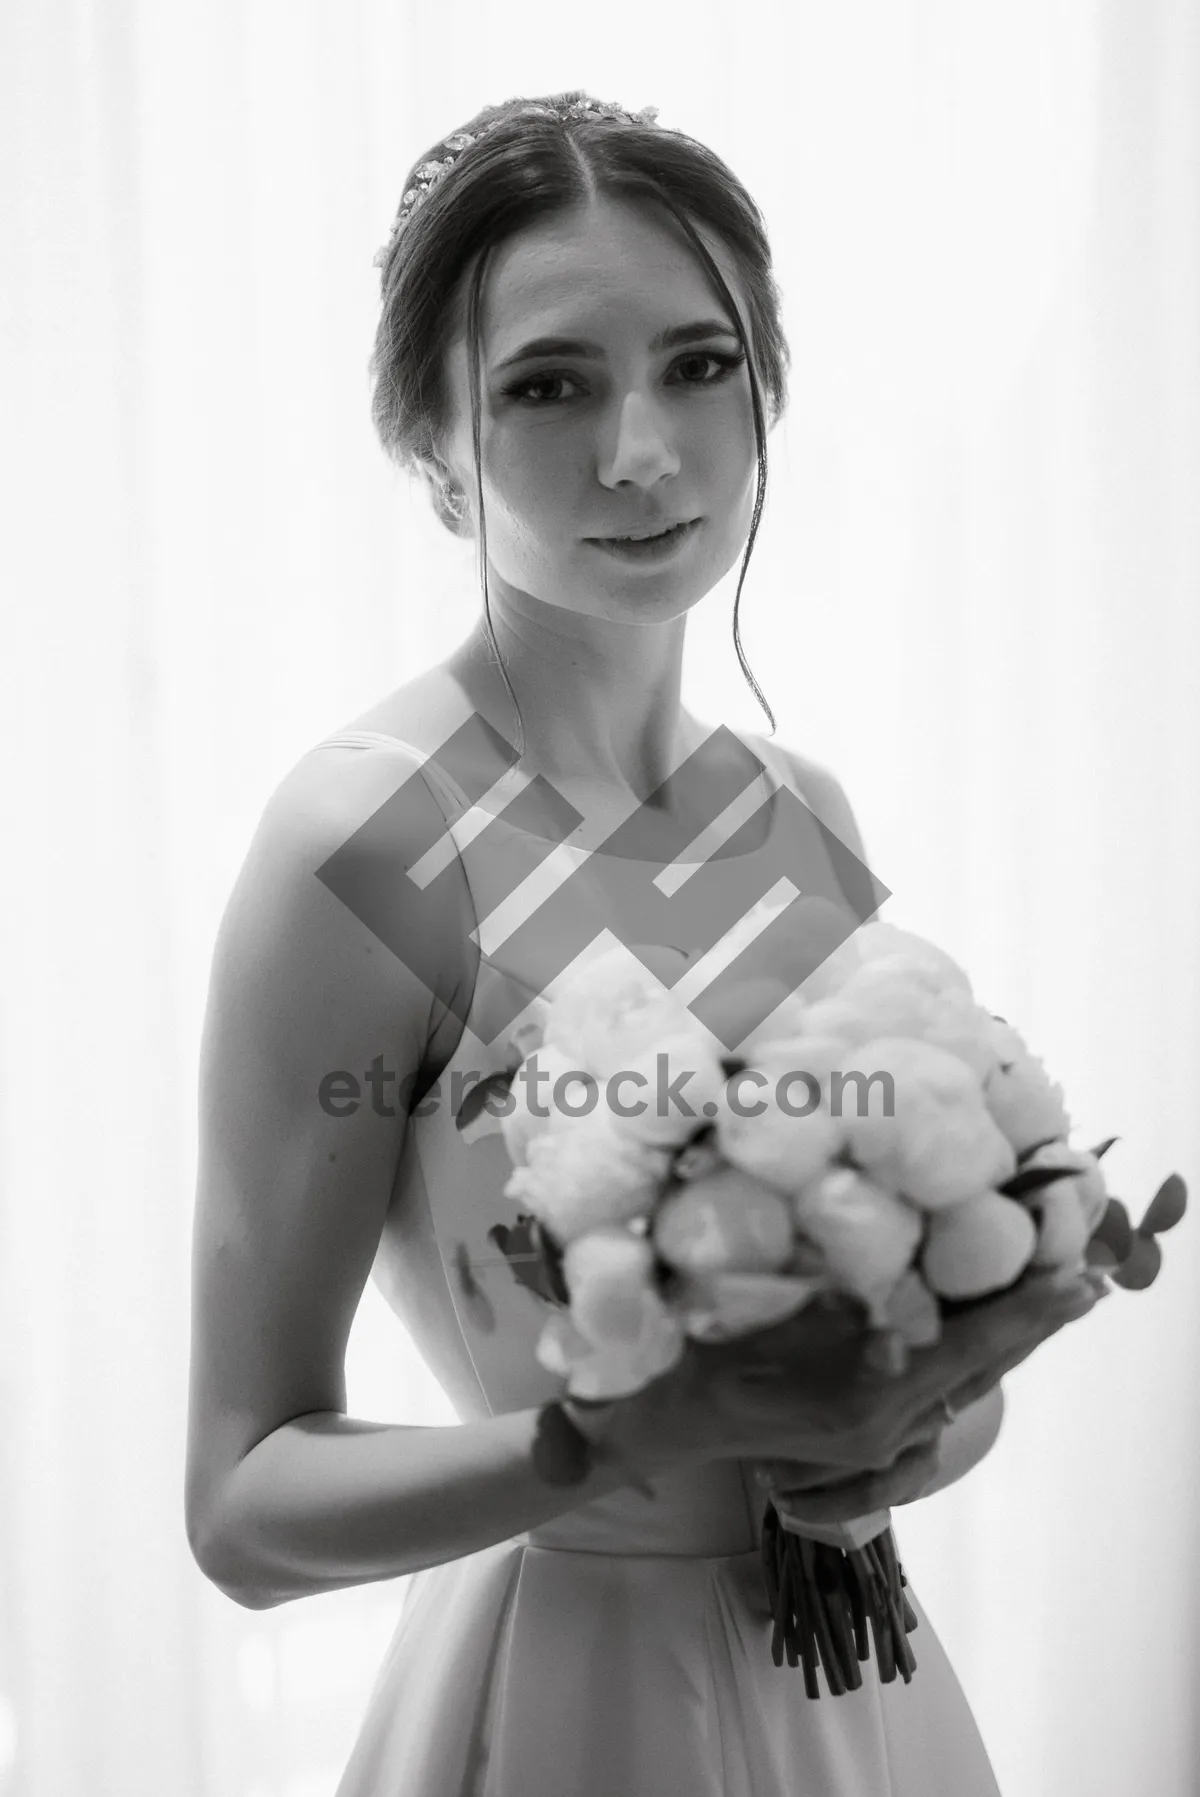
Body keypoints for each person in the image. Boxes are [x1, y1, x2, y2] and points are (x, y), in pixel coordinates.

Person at [184, 90, 1105, 1795]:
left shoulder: (802, 814)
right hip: (573, 1705)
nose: (642, 452)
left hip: (866, 1700)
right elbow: (241, 1506)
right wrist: (603, 1444)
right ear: (430, 451)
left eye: (699, 365)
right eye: (549, 385)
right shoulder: (370, 847)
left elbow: (939, 1344)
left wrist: (910, 1433)